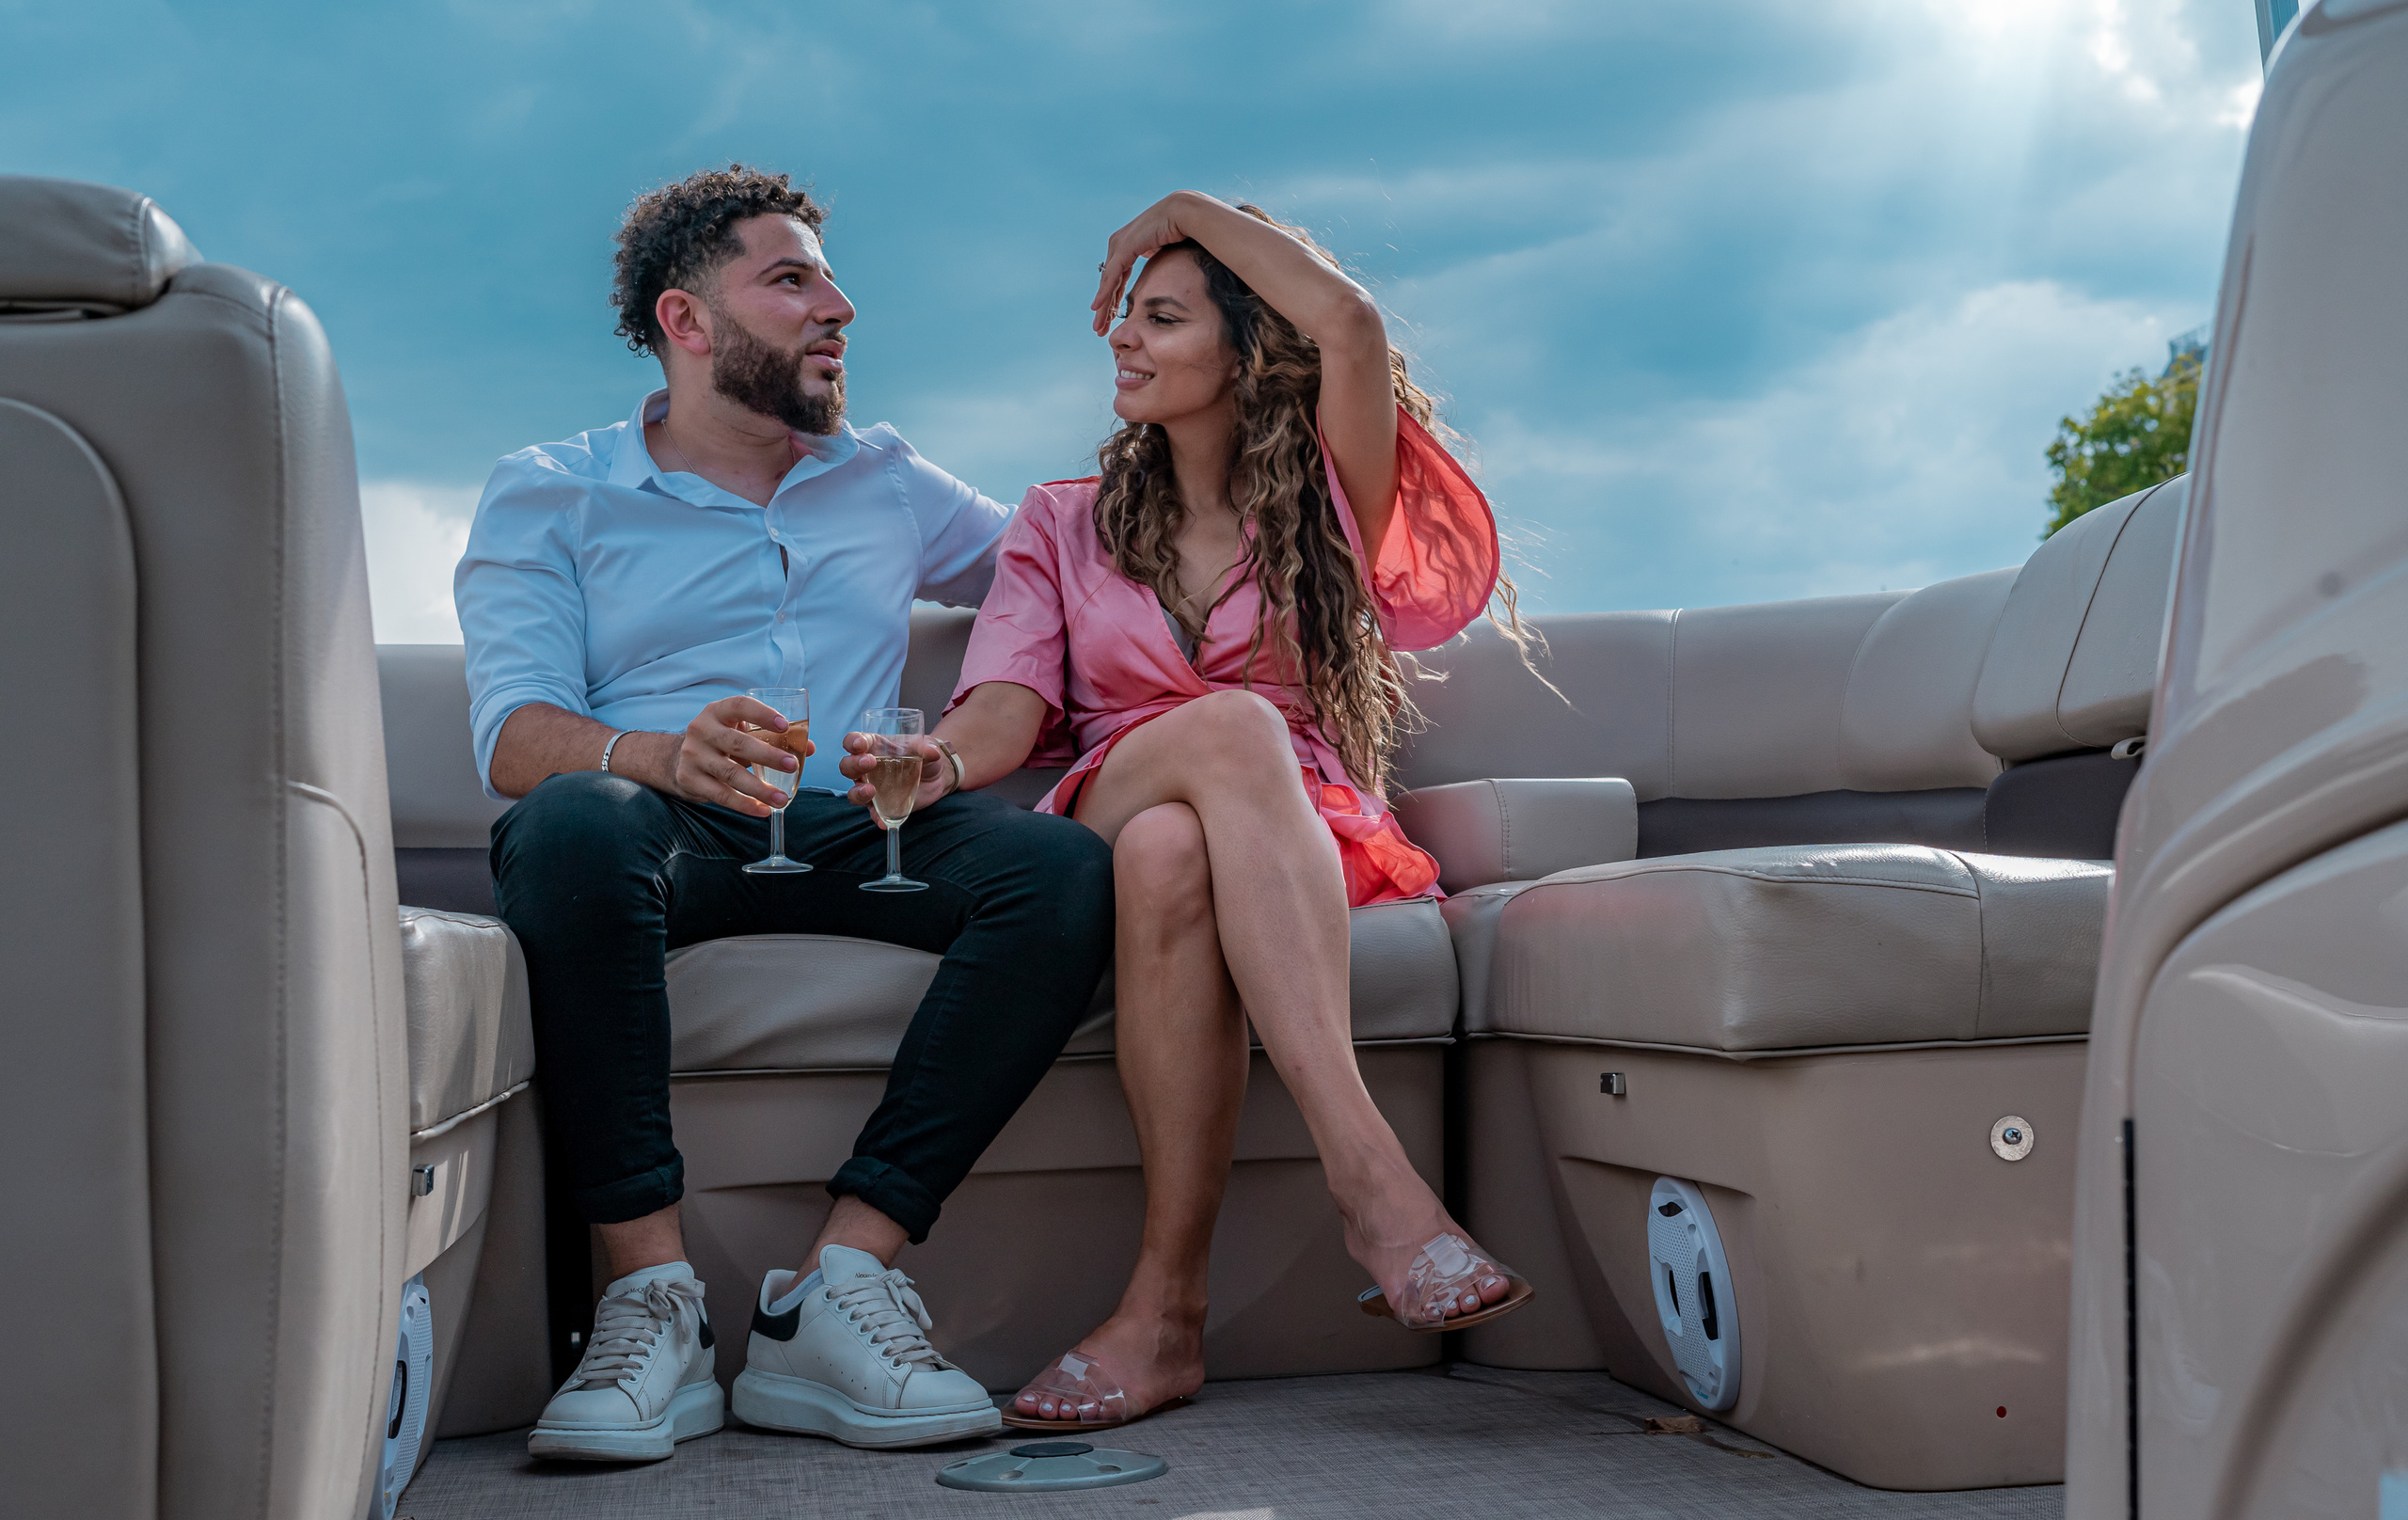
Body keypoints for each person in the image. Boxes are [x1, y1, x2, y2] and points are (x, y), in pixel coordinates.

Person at [840, 191, 1535, 1433]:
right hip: (1111, 792)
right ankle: (1374, 1185)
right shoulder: (1059, 521)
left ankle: (1164, 1316)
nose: (1126, 339)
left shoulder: (1325, 505)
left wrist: (1180, 211)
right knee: (1221, 740)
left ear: (1248, 351)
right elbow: (1004, 706)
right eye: (1127, 317)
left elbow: (1354, 323)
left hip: (1289, 834)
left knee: (1178, 849)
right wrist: (939, 764)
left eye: (1163, 318)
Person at [454, 165, 1116, 1463]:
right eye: (792, 278)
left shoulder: (885, 476)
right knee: (574, 824)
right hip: (668, 825)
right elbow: (515, 735)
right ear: (686, 322)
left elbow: (1069, 565)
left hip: (853, 825)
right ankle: (650, 1303)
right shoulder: (551, 489)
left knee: (1060, 871)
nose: (841, 306)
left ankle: (840, 1284)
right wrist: (659, 752)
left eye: (829, 276)